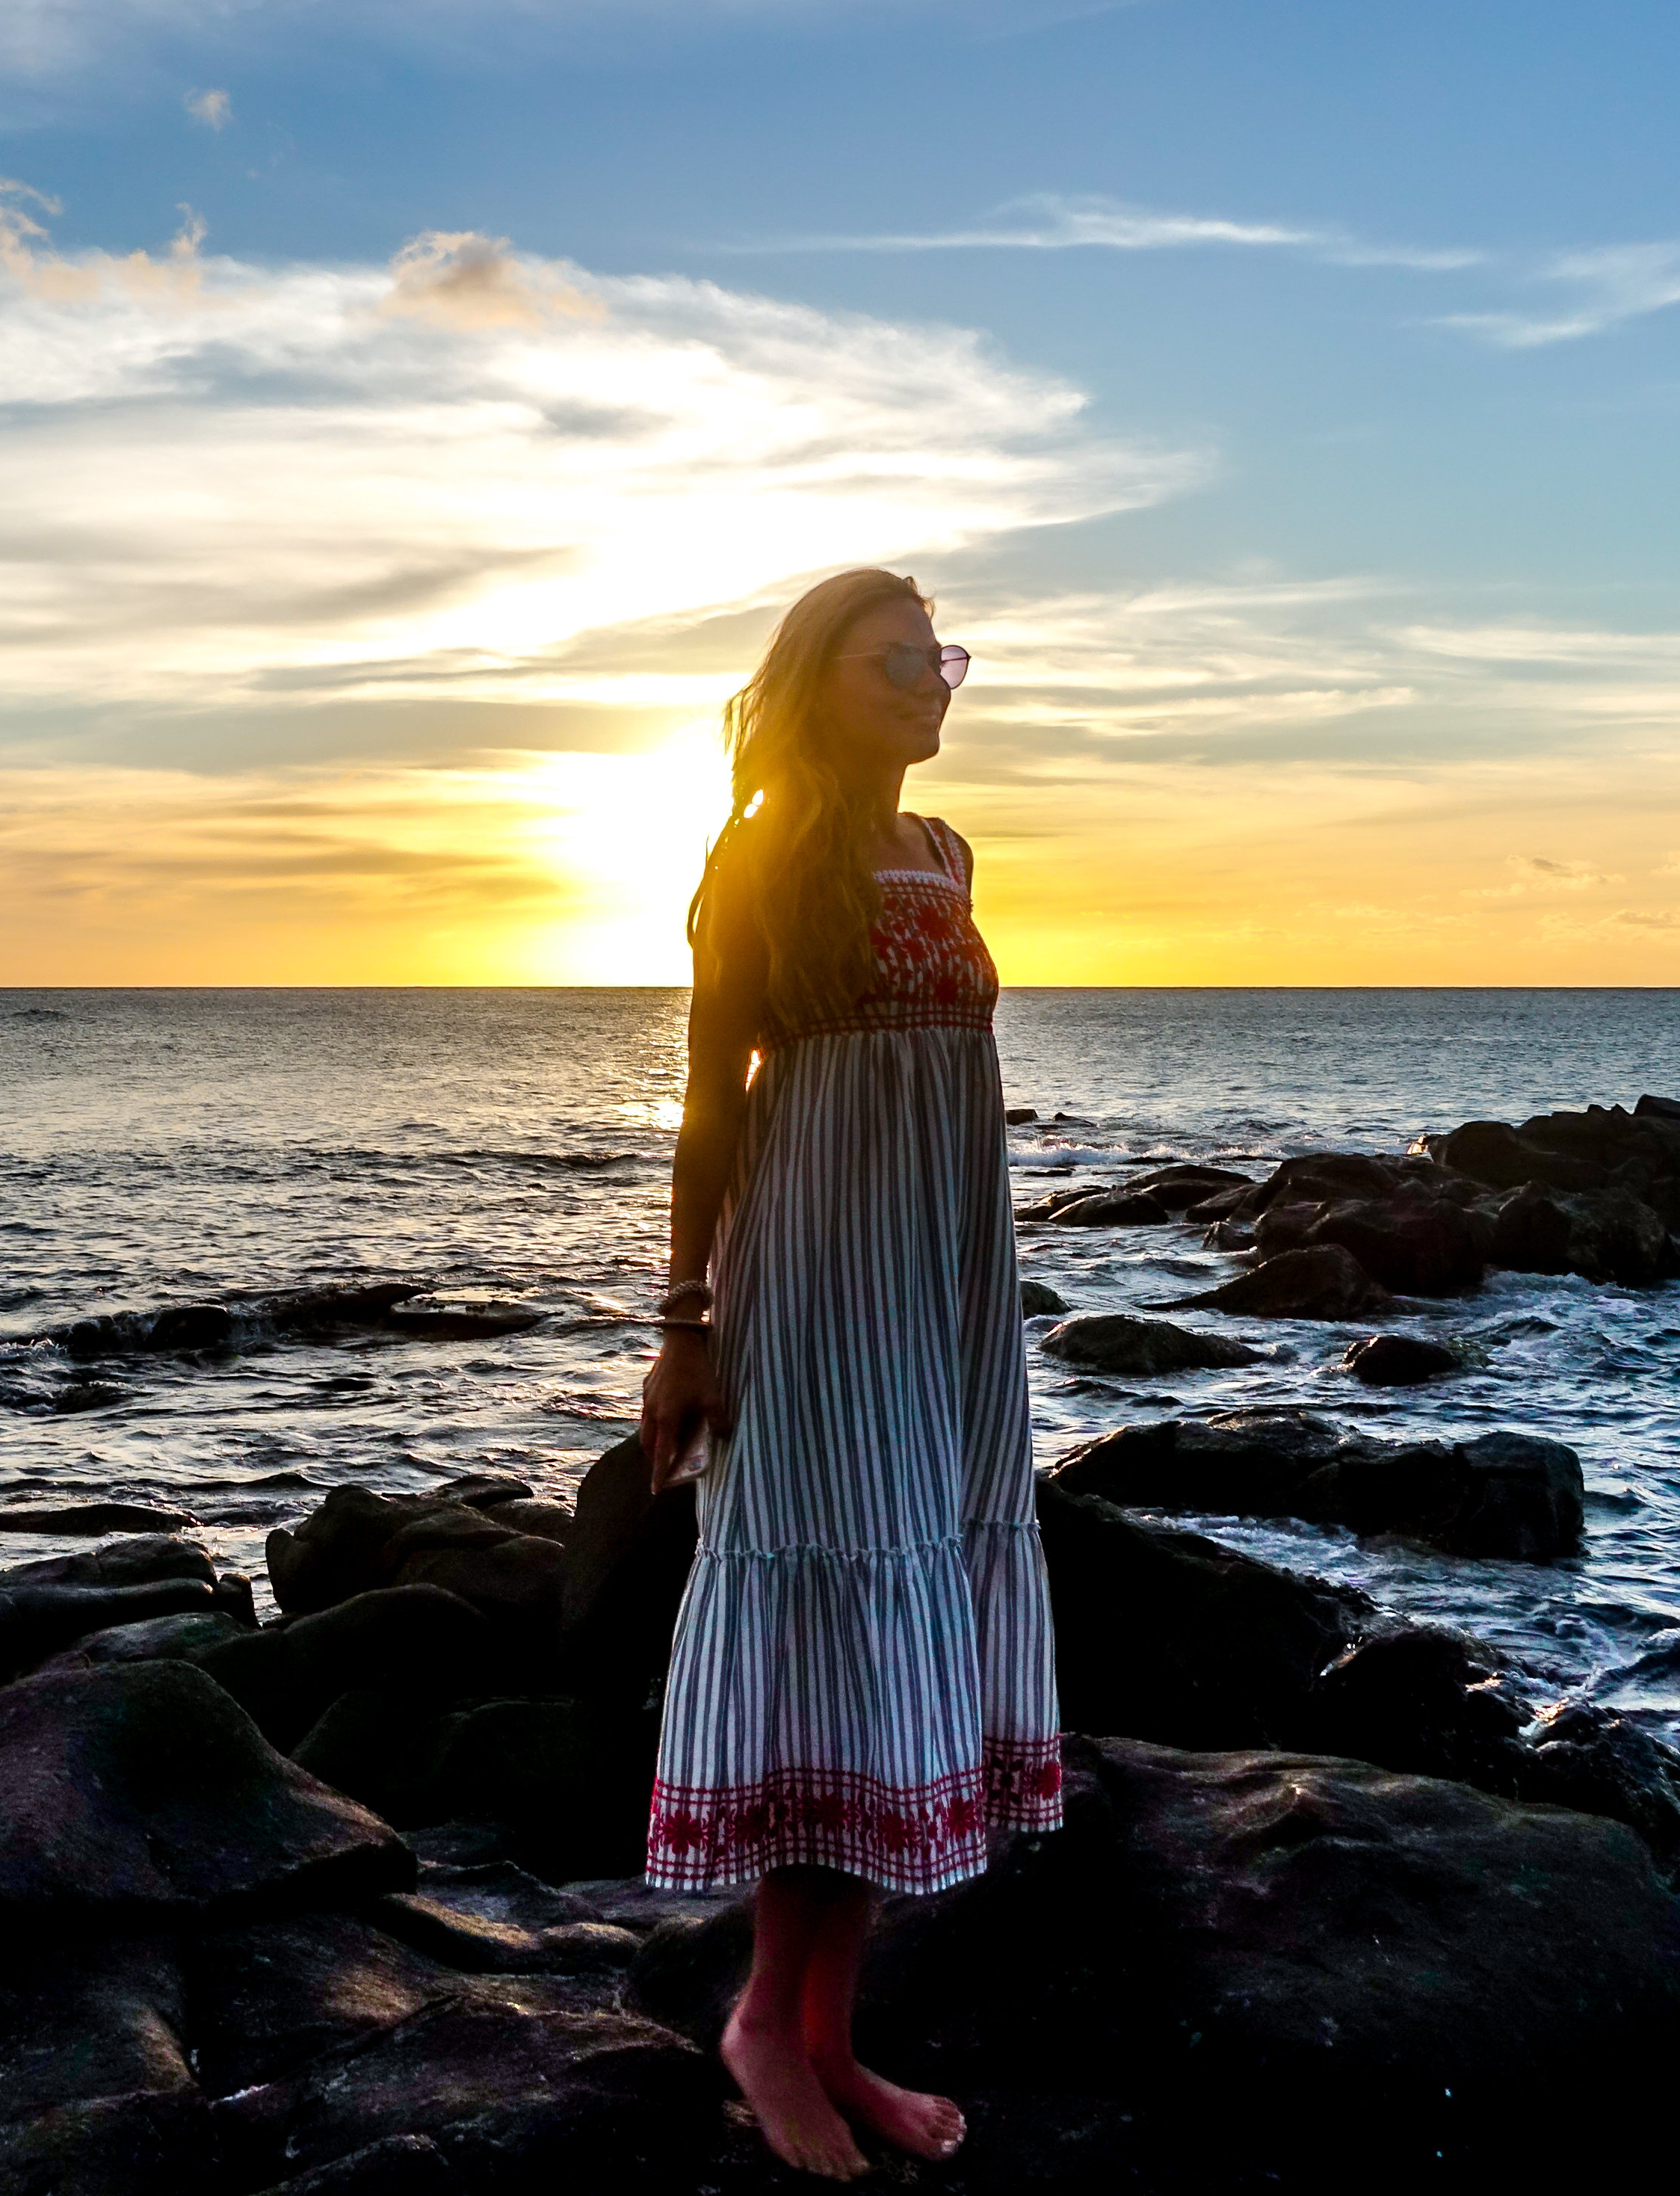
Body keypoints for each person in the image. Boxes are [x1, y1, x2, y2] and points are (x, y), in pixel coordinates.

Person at [637, 567, 1060, 2181]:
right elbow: (707, 1104)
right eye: (902, 662)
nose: (934, 684)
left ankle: (827, 2037)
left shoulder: (946, 857)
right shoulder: (765, 858)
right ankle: (762, 2023)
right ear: (823, 681)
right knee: (832, 1626)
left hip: (944, 1280)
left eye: (943, 657)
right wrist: (683, 1325)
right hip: (814, 1285)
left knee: (911, 1625)